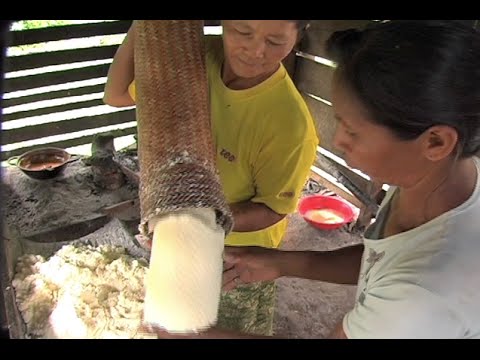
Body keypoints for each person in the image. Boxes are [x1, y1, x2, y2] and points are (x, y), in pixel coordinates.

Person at [146, 19, 480, 339]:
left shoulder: (424, 291)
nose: (339, 141)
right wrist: (285, 262)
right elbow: (383, 260)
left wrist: (193, 336)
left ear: (436, 141)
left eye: (352, 129)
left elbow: (401, 278)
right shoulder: (440, 178)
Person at [103, 20, 319, 336]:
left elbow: (273, 209)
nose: (254, 51)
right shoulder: (195, 59)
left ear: (298, 35)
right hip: (177, 237)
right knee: (170, 326)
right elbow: (117, 94)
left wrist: (194, 226)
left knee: (219, 329)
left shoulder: (289, 125)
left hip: (235, 260)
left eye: (274, 41)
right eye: (243, 32)